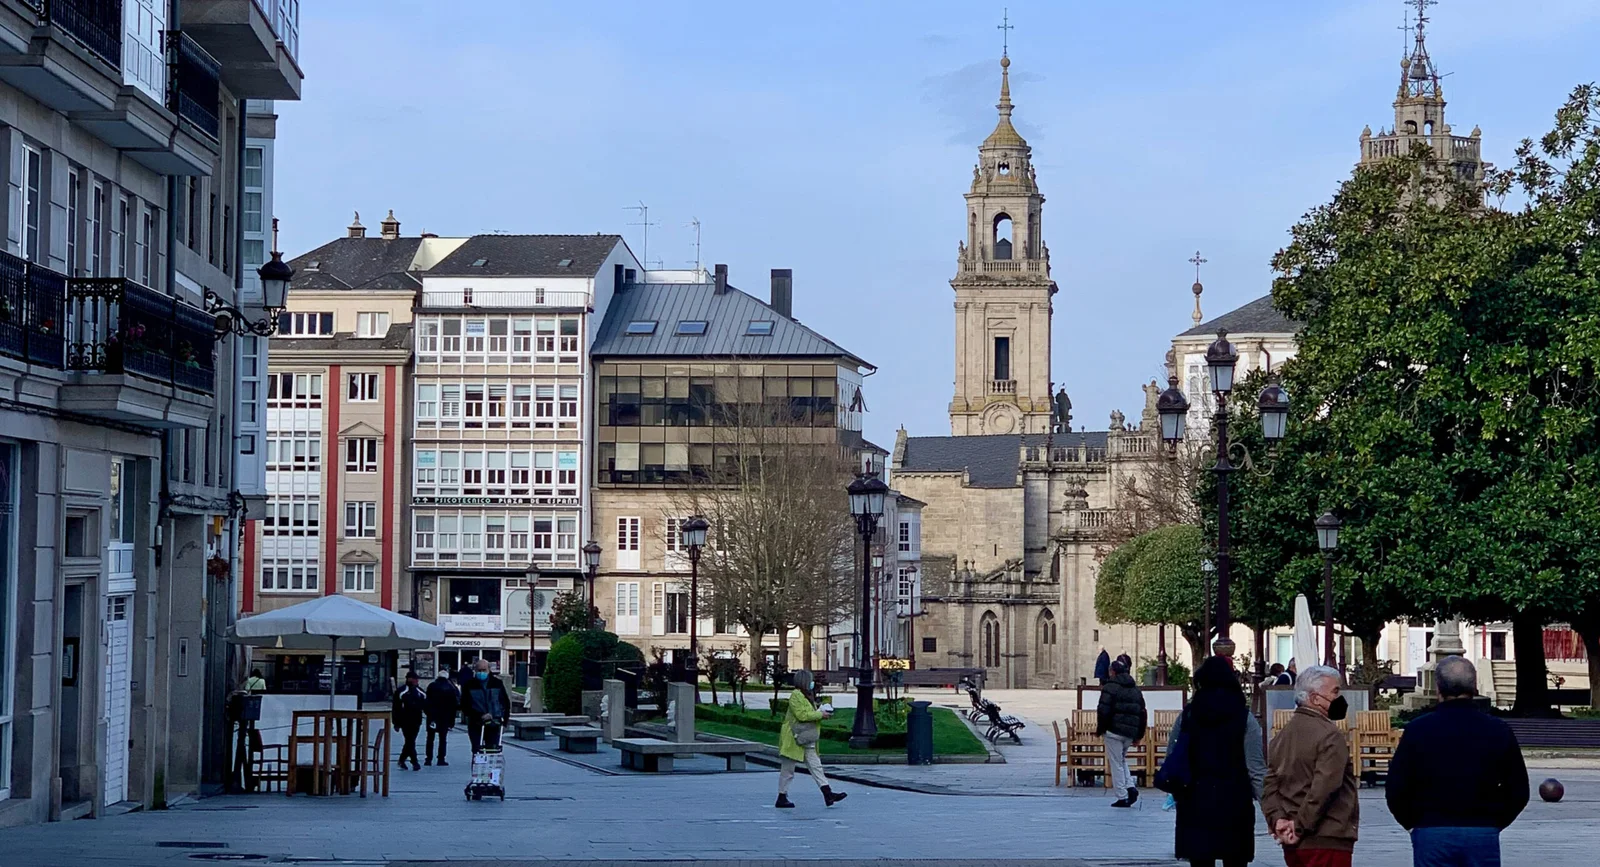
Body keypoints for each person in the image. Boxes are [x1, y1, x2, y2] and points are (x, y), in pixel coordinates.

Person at [1385, 655, 1528, 866]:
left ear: (1438, 689)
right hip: (1481, 829)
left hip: (1431, 829)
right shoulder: (1498, 729)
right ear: (1474, 687)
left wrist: (1412, 823)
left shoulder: (1418, 729)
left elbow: (1396, 787)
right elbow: (1519, 789)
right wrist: (1495, 822)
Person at [1166, 656, 1267, 867]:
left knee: (1200, 860)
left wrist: (1178, 792)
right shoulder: (1244, 718)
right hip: (1234, 801)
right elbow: (1255, 767)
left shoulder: (1188, 715)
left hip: (1195, 799)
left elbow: (1173, 756)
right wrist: (1271, 808)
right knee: (1235, 860)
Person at [1262, 665, 1360, 867]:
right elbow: (1324, 788)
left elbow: (1270, 784)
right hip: (1326, 836)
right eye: (1335, 691)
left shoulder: (1282, 735)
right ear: (1315, 698)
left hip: (1293, 841)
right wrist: (1299, 826)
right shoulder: (1329, 735)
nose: (1340, 697)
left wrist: (1278, 819)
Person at [775, 669, 846, 808]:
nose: (812, 682)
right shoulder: (796, 695)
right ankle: (781, 797)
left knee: (816, 766)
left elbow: (808, 713)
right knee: (788, 769)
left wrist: (820, 712)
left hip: (805, 738)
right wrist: (820, 714)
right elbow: (802, 715)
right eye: (810, 680)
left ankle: (828, 793)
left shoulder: (806, 695)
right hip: (794, 738)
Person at [1096, 655, 1147, 807]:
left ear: (1112, 672)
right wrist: (1139, 735)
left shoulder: (1110, 687)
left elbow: (1103, 710)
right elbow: (1142, 712)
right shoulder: (1135, 689)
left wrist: (1100, 729)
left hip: (1113, 731)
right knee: (1122, 760)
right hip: (1129, 733)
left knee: (1116, 762)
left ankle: (1122, 795)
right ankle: (1130, 787)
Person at [459, 659, 511, 753]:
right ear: (475, 670)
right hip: (476, 723)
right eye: (479, 670)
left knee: (492, 750)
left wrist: (505, 721)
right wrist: (479, 715)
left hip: (494, 722)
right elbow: (465, 705)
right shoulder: (469, 685)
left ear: (489, 670)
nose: (481, 672)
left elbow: (505, 703)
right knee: (477, 749)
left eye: (484, 670)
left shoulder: (497, 683)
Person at [391, 670, 427, 771]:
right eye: (414, 679)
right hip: (405, 720)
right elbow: (396, 708)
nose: (416, 681)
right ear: (409, 679)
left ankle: (402, 760)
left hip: (416, 720)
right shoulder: (401, 691)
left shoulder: (420, 691)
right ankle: (414, 762)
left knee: (410, 741)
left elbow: (426, 705)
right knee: (410, 740)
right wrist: (396, 723)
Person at [425, 671, 460, 766]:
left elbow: (426, 702)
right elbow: (454, 705)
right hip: (445, 717)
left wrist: (428, 714)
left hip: (432, 716)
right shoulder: (451, 688)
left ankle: (428, 759)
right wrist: (451, 721)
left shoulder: (432, 686)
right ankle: (441, 759)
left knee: (430, 738)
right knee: (443, 738)